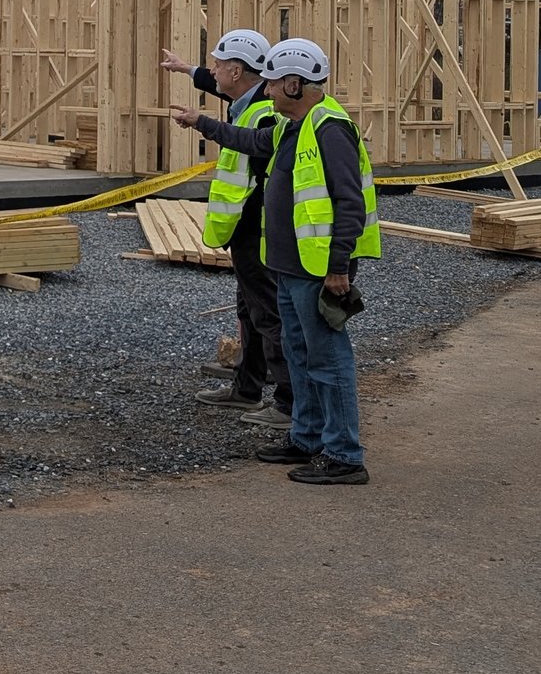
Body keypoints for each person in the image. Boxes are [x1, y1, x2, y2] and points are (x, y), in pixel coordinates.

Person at [167, 38, 379, 486]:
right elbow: (248, 139)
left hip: (317, 269)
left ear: (296, 84)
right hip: (286, 265)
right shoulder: (290, 125)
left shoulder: (329, 128)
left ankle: (343, 454)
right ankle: (305, 437)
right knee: (299, 355)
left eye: (272, 84)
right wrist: (201, 123)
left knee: (327, 360)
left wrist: (339, 268)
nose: (265, 91)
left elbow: (349, 202)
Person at [158, 32, 292, 430]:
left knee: (268, 311)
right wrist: (188, 70)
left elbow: (256, 143)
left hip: (259, 224)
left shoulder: (266, 110)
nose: (213, 69)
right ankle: (247, 388)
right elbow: (223, 91)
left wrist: (204, 125)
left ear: (237, 70)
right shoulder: (247, 99)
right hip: (244, 223)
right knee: (249, 309)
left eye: (218, 64)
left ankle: (287, 401)